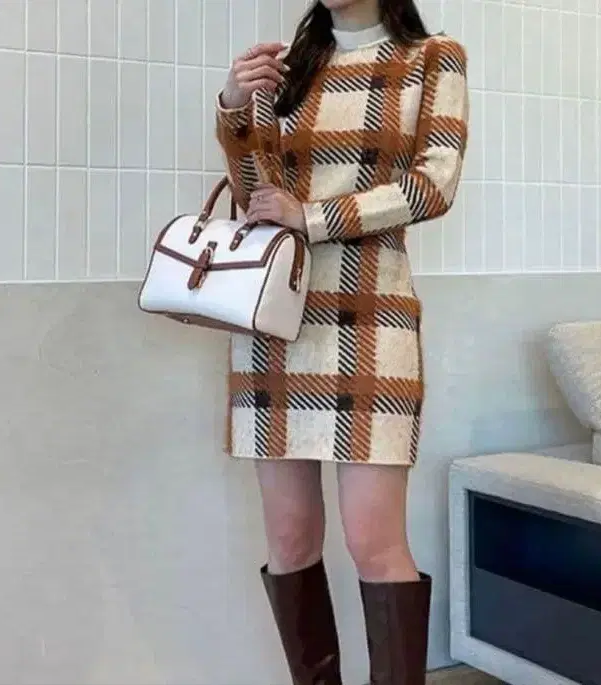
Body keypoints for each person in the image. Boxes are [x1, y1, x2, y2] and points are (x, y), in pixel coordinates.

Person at [215, 0, 468, 682]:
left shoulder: (430, 57)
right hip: (275, 323)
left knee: (373, 541)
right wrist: (236, 107)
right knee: (290, 538)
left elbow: (433, 185)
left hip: (372, 317)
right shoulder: (292, 67)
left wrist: (315, 216)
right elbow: (255, 196)